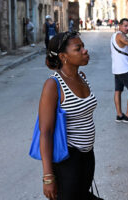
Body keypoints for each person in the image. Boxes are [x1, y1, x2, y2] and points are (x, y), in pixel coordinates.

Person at [39, 31, 102, 200]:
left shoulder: (81, 77)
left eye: (83, 47)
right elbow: (45, 132)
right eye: (78, 48)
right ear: (63, 56)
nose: (85, 51)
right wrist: (48, 176)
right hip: (68, 159)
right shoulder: (53, 85)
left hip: (88, 155)